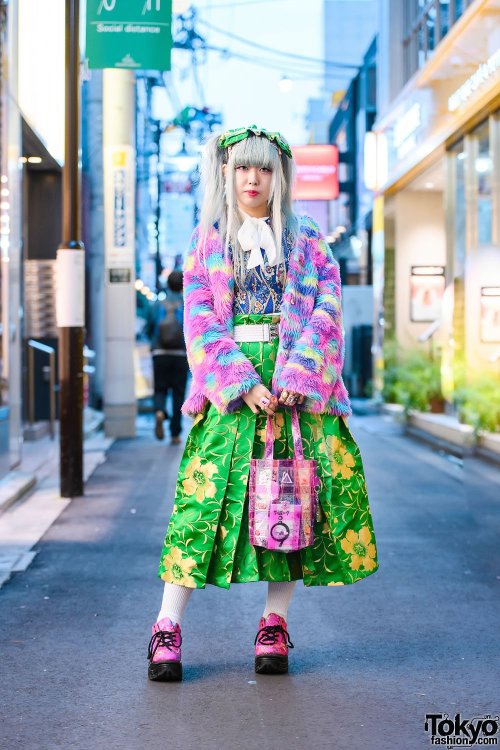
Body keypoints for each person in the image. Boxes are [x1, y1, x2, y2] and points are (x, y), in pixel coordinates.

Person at [147, 125, 379, 682]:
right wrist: (241, 382)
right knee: (200, 508)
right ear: (224, 175)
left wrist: (300, 371)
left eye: (264, 168)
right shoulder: (207, 241)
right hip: (234, 395)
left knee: (293, 506)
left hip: (297, 392)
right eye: (241, 168)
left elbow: (327, 309)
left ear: (281, 176)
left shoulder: (310, 241)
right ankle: (166, 627)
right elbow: (200, 320)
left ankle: (274, 624)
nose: (252, 179)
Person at [149, 270, 189, 445]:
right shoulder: (186, 304)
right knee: (178, 393)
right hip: (180, 354)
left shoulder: (157, 305)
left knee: (160, 388)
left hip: (159, 353)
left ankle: (159, 410)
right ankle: (175, 433)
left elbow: (150, 327)